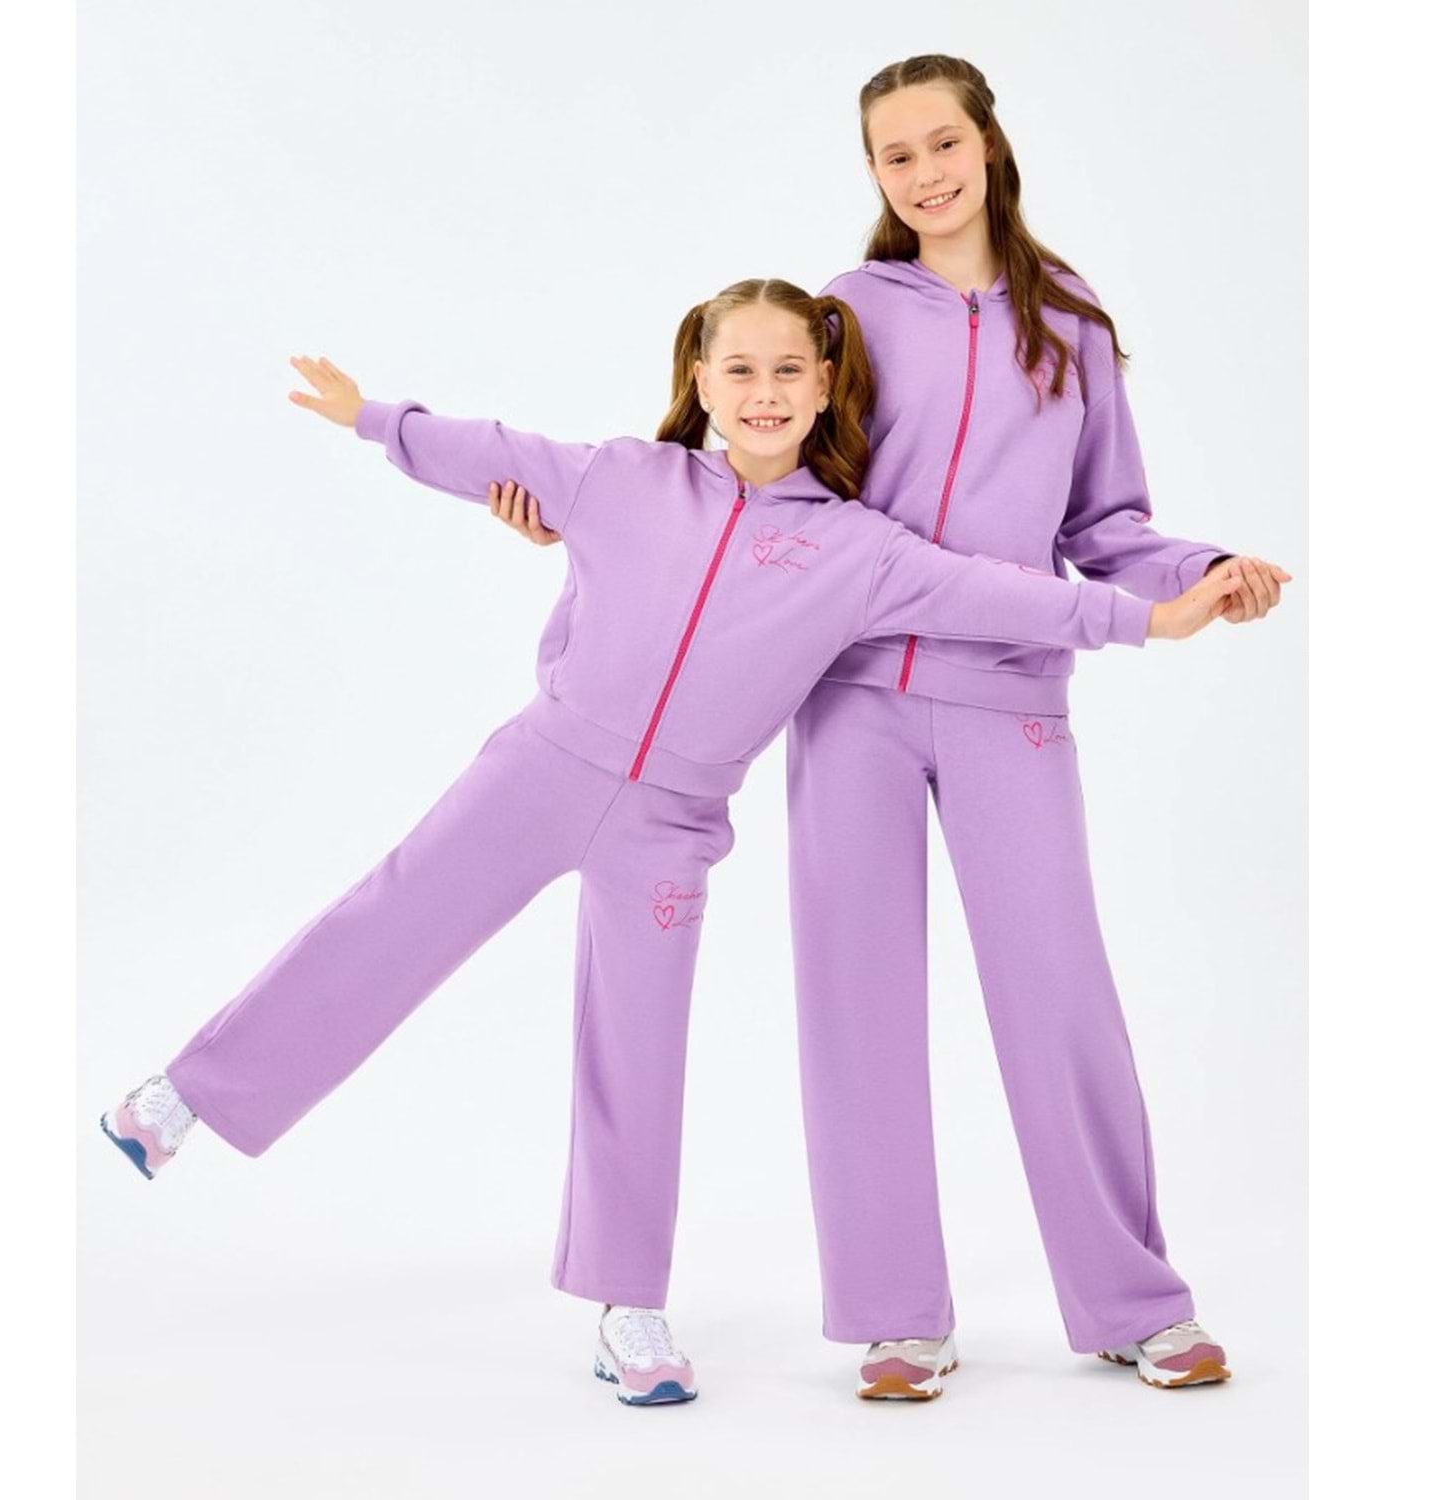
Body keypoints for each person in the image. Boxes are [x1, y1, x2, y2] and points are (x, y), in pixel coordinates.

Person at [99, 278, 1249, 1407]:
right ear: (699, 380)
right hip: (540, 772)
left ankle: (628, 1310)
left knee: (638, 1054)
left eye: (789, 370)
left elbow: (998, 595)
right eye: (740, 369)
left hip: (672, 827)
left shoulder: (861, 550)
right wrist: (372, 416)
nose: (764, 391)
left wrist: (1146, 617)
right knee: (388, 926)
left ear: (827, 386)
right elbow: (489, 449)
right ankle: (184, 1096)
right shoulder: (625, 479)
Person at [483, 55, 1292, 1399]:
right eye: (894, 155)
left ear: (989, 144)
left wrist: (1198, 574)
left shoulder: (1071, 325)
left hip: (1010, 700)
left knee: (1061, 997)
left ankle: (1132, 1302)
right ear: (873, 172)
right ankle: (896, 1314)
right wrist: (582, 515)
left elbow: (1107, 527)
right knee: (854, 1001)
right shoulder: (849, 312)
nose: (924, 174)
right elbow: (755, 466)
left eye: (941, 144)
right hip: (847, 698)